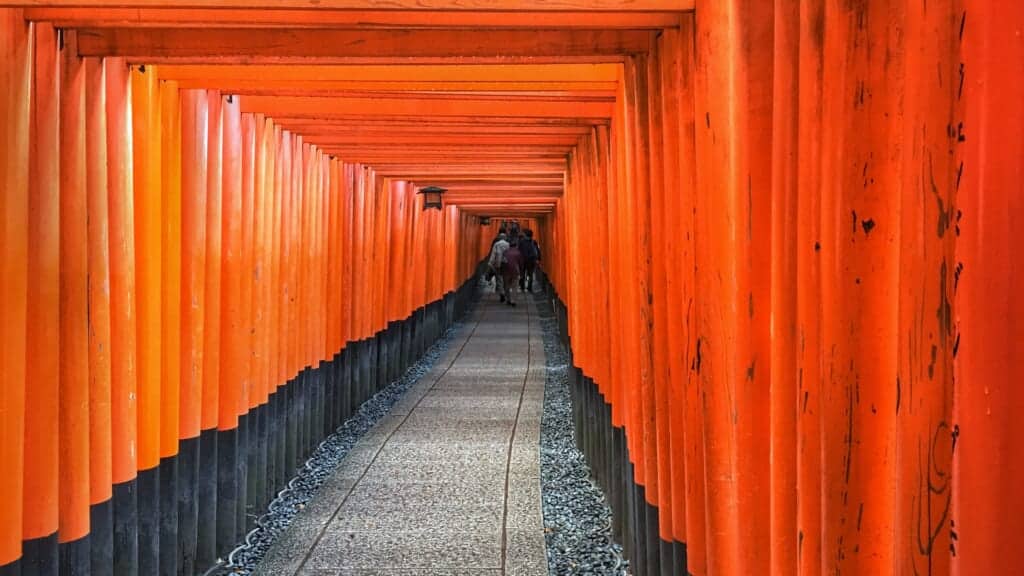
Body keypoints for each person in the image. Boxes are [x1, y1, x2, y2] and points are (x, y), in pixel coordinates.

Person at [488, 232, 510, 300]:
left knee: (499, 279)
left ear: (499, 238)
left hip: (498, 264)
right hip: (506, 264)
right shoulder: (508, 244)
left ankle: (502, 293)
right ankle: (506, 292)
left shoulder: (496, 244)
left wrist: (490, 263)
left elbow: (493, 254)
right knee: (506, 279)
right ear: (505, 238)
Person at [502, 239, 524, 306]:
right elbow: (521, 264)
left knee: (507, 286)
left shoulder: (505, 252)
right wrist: (522, 272)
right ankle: (513, 301)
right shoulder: (518, 253)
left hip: (506, 271)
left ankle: (508, 299)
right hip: (515, 271)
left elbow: (502, 261)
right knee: (514, 286)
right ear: (516, 245)